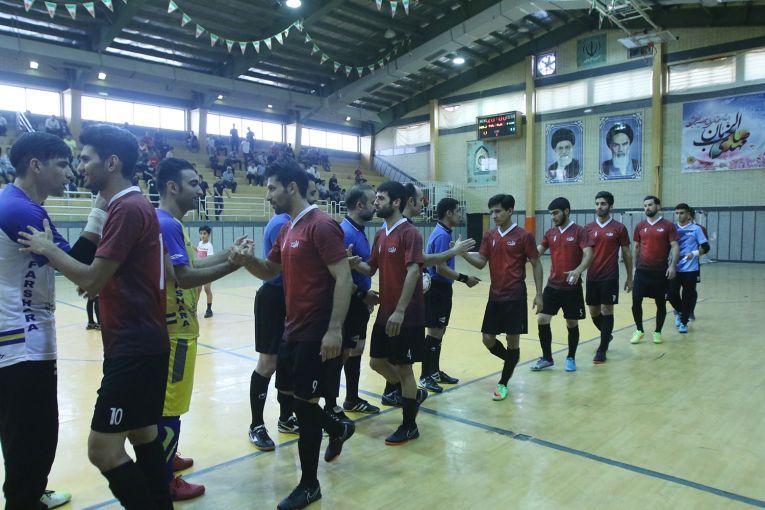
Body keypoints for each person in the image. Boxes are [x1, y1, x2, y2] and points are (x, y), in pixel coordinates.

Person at [17, 124, 173, 509]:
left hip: (134, 347)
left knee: (102, 449)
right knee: (143, 435)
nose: (80, 167)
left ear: (112, 162)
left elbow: (90, 279)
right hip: (143, 342)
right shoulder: (130, 205)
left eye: (86, 159)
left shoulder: (126, 208)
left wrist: (47, 248)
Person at [238, 159, 355, 510]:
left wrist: (334, 330)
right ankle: (337, 427)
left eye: (272, 187)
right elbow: (268, 270)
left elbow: (343, 278)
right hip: (291, 329)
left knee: (304, 408)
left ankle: (309, 484)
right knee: (289, 397)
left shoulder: (322, 225)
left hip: (316, 333)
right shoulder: (288, 228)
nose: (268, 195)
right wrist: (246, 260)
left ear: (291, 187)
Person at [0, 132, 106, 510]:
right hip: (20, 344)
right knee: (32, 435)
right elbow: (80, 265)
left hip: (26, 339)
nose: (69, 173)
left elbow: (71, 260)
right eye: (61, 164)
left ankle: (28, 492)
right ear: (35, 166)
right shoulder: (20, 210)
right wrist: (101, 206)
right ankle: (23, 500)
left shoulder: (25, 206)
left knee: (32, 433)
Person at [155, 158, 250, 501]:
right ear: (173, 187)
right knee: (170, 405)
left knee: (167, 402)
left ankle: (165, 458)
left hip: (177, 327)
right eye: (193, 183)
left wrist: (228, 254)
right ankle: (164, 478)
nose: (200, 190)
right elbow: (184, 278)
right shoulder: (167, 224)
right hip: (175, 331)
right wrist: (233, 266)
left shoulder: (170, 223)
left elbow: (193, 264)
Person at [350, 181, 427, 445]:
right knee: (376, 362)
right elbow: (371, 269)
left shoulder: (410, 233)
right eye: (376, 198)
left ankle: (409, 425)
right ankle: (412, 395)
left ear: (396, 202)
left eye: (380, 198)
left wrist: (400, 311)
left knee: (405, 369)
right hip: (386, 313)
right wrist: (352, 263)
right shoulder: (381, 234)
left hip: (406, 315)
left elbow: (414, 271)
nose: (375, 203)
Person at [460, 194, 543, 400]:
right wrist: (463, 254)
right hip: (495, 297)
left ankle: (503, 382)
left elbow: (536, 264)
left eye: (498, 211)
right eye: (492, 211)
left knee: (512, 341)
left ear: (510, 211)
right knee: (487, 338)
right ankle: (511, 360)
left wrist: (539, 294)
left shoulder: (524, 236)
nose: (494, 215)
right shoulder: (489, 235)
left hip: (515, 297)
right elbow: (481, 262)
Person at [246, 190, 300, 452]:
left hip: (289, 298)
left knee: (287, 361)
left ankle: (286, 418)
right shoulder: (282, 224)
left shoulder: (293, 222)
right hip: (274, 298)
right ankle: (256, 425)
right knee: (268, 363)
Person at [419, 198, 481, 394]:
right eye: (457, 211)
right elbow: (440, 268)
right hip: (436, 289)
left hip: (443, 289)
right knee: (434, 333)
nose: (459, 215)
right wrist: (465, 278)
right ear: (449, 213)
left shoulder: (444, 233)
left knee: (440, 331)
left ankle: (434, 372)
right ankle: (425, 376)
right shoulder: (441, 235)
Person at [532, 197, 594, 372]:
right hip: (552, 286)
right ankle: (547, 358)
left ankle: (571, 357)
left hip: (571, 288)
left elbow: (589, 253)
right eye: (551, 214)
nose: (553, 217)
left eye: (556, 213)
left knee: (571, 323)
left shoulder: (579, 231)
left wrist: (578, 270)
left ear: (566, 211)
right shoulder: (550, 233)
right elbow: (537, 252)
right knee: (542, 319)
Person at [338, 185, 381, 414]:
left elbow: (362, 268)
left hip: (360, 302)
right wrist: (362, 295)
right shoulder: (345, 233)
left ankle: (352, 399)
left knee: (356, 348)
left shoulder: (358, 230)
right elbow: (339, 274)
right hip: (350, 301)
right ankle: (331, 404)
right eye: (372, 202)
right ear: (359, 205)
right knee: (343, 352)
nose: (376, 206)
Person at [585, 191, 633, 363]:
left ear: (611, 206)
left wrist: (630, 277)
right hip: (592, 276)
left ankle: (602, 348)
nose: (599, 207)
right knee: (593, 311)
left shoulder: (619, 228)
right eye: (597, 203)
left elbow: (626, 253)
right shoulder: (588, 228)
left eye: (603, 204)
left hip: (610, 276)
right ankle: (607, 335)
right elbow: (583, 252)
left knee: (607, 310)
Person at [630, 196, 680, 345]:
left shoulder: (668, 226)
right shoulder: (640, 226)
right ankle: (639, 330)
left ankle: (657, 332)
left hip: (660, 272)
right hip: (642, 271)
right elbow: (636, 247)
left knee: (661, 303)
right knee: (636, 301)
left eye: (650, 205)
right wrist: (634, 267)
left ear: (657, 206)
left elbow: (675, 246)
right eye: (645, 205)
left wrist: (672, 266)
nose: (647, 208)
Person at [668, 203, 709, 334]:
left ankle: (684, 322)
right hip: (674, 268)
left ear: (688, 214)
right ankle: (681, 312)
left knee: (687, 296)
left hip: (691, 269)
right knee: (671, 294)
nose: (679, 216)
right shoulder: (672, 228)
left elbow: (706, 247)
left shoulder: (696, 229)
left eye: (682, 213)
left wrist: (694, 253)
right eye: (677, 213)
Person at [197, 226, 215, 318]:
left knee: (207, 289)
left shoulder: (209, 246)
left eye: (204, 233)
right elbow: (198, 253)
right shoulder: (200, 243)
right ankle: (194, 309)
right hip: (199, 271)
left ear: (208, 235)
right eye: (201, 233)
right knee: (197, 290)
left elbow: (209, 259)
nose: (202, 235)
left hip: (207, 270)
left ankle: (209, 309)